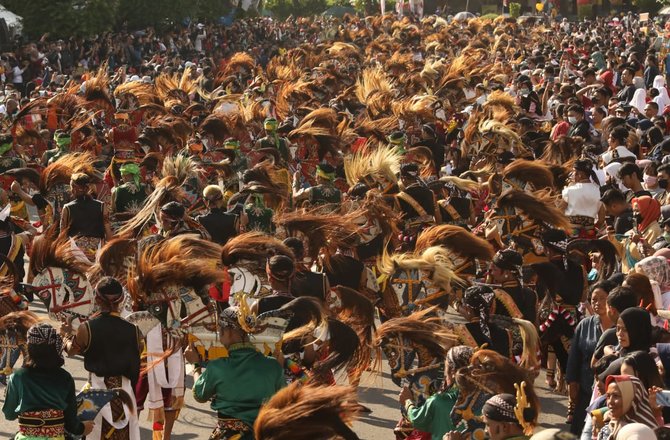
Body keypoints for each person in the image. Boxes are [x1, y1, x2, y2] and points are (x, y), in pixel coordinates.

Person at [184, 307, 286, 440]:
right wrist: (279, 368)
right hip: (263, 435)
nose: (219, 336)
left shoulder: (217, 367)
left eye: (220, 331)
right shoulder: (273, 366)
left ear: (228, 332)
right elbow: (283, 402)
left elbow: (199, 395)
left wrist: (195, 364)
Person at [63, 276, 142, 440]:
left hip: (97, 395)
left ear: (97, 299)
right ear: (121, 300)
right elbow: (136, 359)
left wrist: (66, 336)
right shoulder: (134, 330)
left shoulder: (87, 328)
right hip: (125, 395)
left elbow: (71, 351)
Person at [2, 323, 95, 439]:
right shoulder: (65, 378)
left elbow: (10, 415)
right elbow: (71, 422)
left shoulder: (17, 377)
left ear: (29, 348)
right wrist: (82, 428)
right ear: (55, 347)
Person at [566, 281, 616, 435]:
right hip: (586, 387)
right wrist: (571, 382)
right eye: (594, 299)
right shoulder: (585, 325)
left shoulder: (619, 327)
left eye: (603, 298)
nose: (598, 303)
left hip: (610, 392)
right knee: (578, 431)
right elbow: (574, 356)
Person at [400, 345, 474, 440]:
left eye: (445, 368)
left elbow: (417, 419)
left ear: (451, 372)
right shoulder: (487, 398)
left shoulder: (438, 401)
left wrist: (407, 401)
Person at [60, 173, 113, 262]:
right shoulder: (101, 206)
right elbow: (108, 230)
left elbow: (62, 235)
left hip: (75, 251)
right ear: (89, 188)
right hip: (97, 251)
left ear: (73, 188)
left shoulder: (67, 208)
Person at [598, 375, 659, 440]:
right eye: (608, 396)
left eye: (616, 396)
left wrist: (656, 412)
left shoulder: (649, 431)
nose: (610, 401)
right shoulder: (608, 429)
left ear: (631, 398)